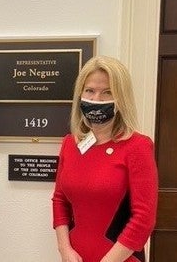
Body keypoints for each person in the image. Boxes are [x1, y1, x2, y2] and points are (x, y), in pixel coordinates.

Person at [52, 55, 158, 262]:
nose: (96, 100)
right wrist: (64, 249)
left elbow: (144, 218)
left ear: (121, 98)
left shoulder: (138, 146)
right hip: (75, 257)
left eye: (107, 92)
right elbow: (60, 200)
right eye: (90, 91)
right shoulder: (70, 144)